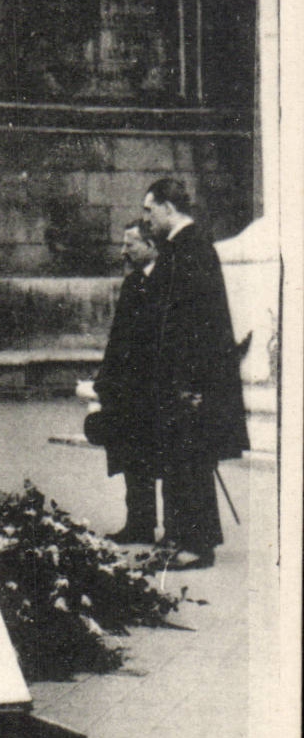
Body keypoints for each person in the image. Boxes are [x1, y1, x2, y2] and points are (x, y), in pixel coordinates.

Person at [139, 178, 248, 570]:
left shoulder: (192, 248)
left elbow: (197, 324)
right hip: (179, 379)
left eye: (150, 209)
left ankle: (197, 545)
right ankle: (179, 537)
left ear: (169, 207)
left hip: (190, 382)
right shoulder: (181, 247)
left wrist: (190, 384)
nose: (146, 218)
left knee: (191, 461)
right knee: (177, 460)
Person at [91, 221, 160, 544]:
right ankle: (140, 524)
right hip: (128, 388)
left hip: (154, 387)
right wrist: (105, 380)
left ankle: (175, 530)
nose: (123, 252)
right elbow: (118, 337)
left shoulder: (168, 281)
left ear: (151, 245)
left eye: (130, 245)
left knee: (159, 458)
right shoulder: (133, 282)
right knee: (132, 458)